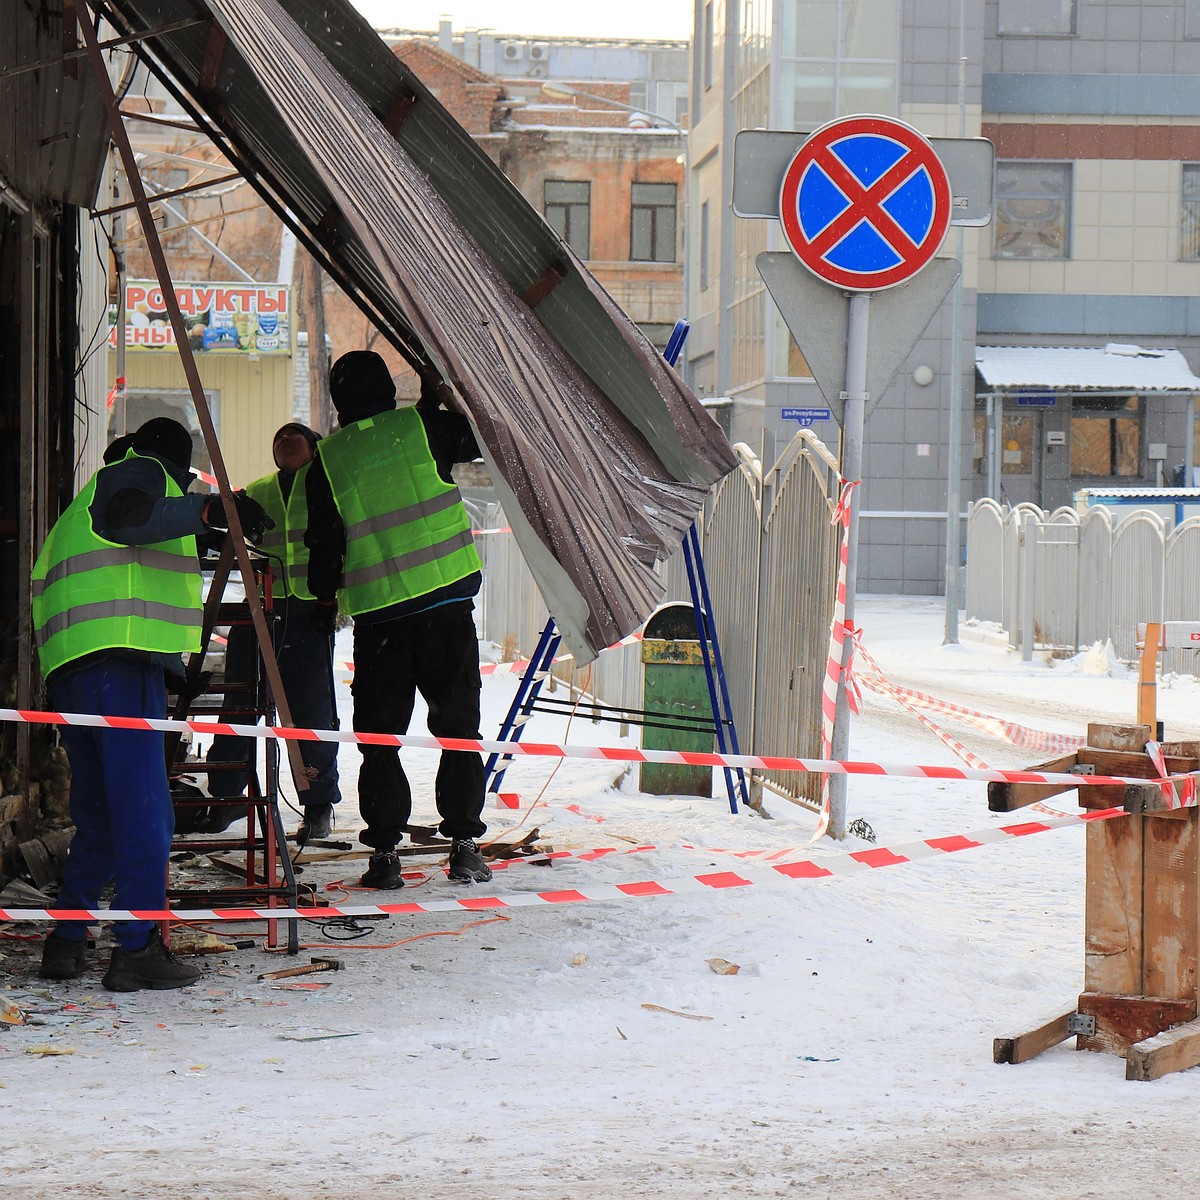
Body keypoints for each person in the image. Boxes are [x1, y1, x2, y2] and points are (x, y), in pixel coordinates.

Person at [31, 417, 270, 990]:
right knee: (145, 813)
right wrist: (210, 511)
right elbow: (133, 520)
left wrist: (209, 529)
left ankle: (66, 941)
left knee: (103, 819)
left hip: (75, 671)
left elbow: (137, 541)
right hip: (120, 661)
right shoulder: (141, 474)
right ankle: (136, 948)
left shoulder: (86, 500)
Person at [304, 350, 492, 889]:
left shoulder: (329, 459)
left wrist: (322, 599)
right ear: (389, 388)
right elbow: (480, 435)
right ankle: (463, 846)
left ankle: (385, 856)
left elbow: (324, 545)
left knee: (380, 738)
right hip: (446, 608)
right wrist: (438, 396)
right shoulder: (422, 427)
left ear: (339, 402)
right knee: (458, 731)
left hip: (381, 621)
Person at [204, 423, 342, 838]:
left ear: (315, 448)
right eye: (278, 436)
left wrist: (331, 600)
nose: (284, 440)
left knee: (310, 711)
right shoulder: (259, 489)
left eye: (294, 436)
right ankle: (226, 797)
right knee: (240, 702)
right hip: (258, 609)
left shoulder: (328, 485)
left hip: (307, 610)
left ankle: (317, 803)